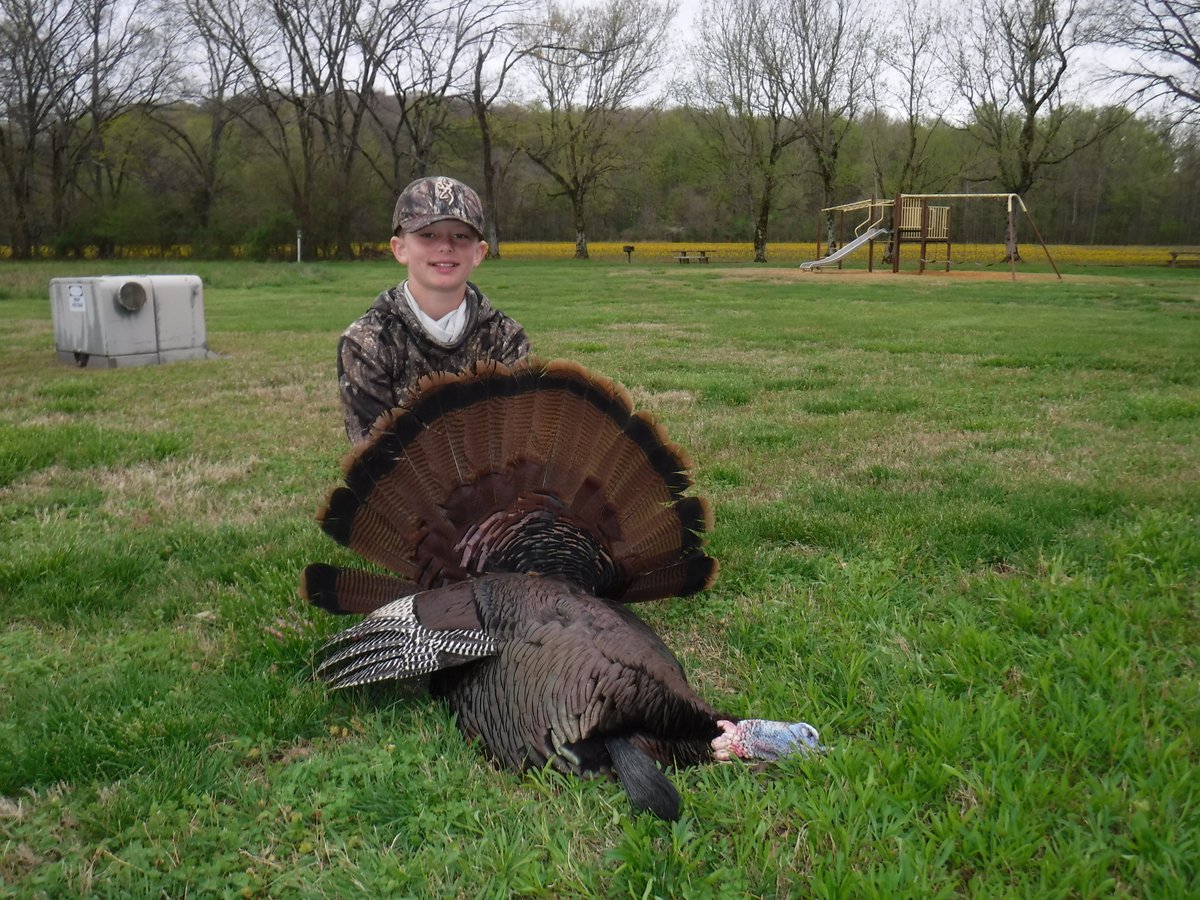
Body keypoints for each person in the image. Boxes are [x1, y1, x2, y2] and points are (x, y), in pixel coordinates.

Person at [337, 175, 531, 443]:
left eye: (461, 236)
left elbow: (517, 441)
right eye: (428, 234)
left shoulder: (507, 339)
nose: (445, 246)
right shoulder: (367, 343)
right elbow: (375, 462)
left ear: (479, 252)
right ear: (400, 248)